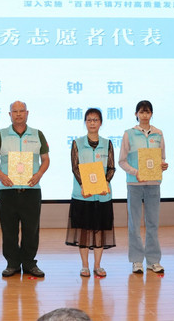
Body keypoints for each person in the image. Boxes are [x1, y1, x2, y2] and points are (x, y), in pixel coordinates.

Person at [0, 100, 50, 278]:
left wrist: (39, 174)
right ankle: (12, 264)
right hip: (8, 190)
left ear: (27, 113)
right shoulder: (1, 135)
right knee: (9, 230)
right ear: (10, 114)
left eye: (21, 111)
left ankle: (30, 263)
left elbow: (45, 159)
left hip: (31, 190)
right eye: (14, 111)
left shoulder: (38, 134)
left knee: (31, 230)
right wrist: (2, 175)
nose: (18, 114)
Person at [118, 100, 168, 274]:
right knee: (134, 223)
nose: (145, 115)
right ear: (136, 114)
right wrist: (135, 172)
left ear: (151, 114)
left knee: (153, 223)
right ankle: (137, 260)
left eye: (147, 112)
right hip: (134, 184)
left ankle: (153, 260)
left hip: (153, 184)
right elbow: (122, 161)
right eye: (141, 112)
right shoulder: (129, 134)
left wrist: (162, 165)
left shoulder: (159, 133)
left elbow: (162, 157)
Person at [65, 108, 116, 278]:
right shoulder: (77, 143)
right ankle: (85, 266)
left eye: (95, 120)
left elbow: (111, 167)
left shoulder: (107, 143)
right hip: (83, 195)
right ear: (85, 123)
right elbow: (75, 167)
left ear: (100, 123)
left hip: (102, 195)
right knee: (84, 232)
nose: (92, 123)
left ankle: (98, 265)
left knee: (100, 231)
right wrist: (84, 185)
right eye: (89, 120)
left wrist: (105, 182)